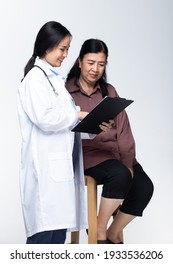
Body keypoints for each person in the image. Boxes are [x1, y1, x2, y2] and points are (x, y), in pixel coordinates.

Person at [17, 22, 111, 244]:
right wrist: (78, 116)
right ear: (47, 46)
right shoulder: (35, 79)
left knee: (58, 239)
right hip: (45, 174)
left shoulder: (55, 81)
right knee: (42, 241)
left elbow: (67, 122)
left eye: (68, 49)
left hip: (61, 173)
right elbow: (44, 118)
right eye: (62, 48)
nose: (66, 55)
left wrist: (92, 125)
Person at [66, 38, 154, 244]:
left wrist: (128, 161)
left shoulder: (109, 91)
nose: (95, 69)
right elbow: (60, 129)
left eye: (101, 64)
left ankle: (112, 232)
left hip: (114, 155)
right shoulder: (65, 92)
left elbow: (123, 129)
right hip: (88, 156)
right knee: (120, 175)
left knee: (144, 187)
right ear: (79, 61)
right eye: (90, 62)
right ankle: (100, 231)